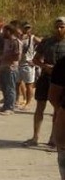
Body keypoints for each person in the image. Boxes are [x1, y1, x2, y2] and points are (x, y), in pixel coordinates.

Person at [27, 17, 65, 147]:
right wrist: (44, 67)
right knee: (40, 107)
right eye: (57, 27)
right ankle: (35, 137)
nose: (59, 29)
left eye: (62, 26)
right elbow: (36, 59)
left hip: (61, 80)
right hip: (46, 76)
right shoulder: (47, 42)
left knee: (58, 109)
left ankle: (53, 139)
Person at [0, 24, 22, 115]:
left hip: (11, 68)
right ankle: (6, 105)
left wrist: (6, 57)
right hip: (3, 66)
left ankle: (10, 107)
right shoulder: (5, 41)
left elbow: (17, 56)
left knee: (10, 88)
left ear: (9, 31)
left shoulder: (16, 42)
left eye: (5, 31)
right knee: (4, 87)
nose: (3, 32)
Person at [19, 22, 41, 111]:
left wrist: (36, 57)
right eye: (26, 28)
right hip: (19, 63)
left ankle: (28, 103)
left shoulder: (32, 38)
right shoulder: (19, 37)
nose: (27, 30)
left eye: (29, 28)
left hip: (28, 64)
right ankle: (22, 99)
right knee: (18, 83)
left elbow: (43, 43)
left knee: (29, 85)